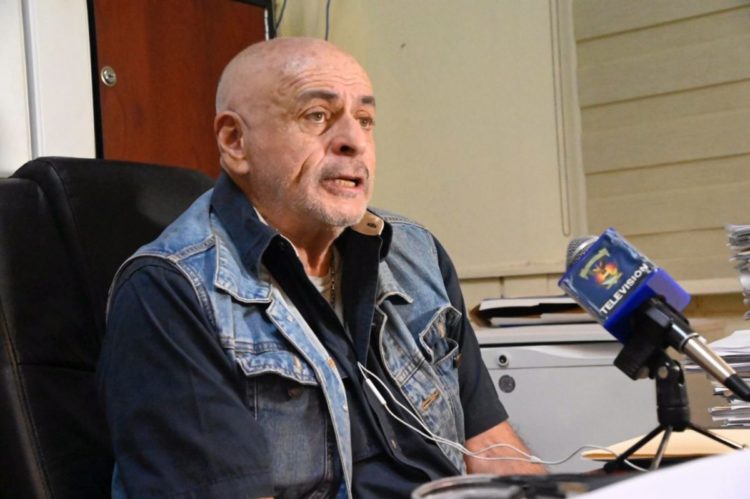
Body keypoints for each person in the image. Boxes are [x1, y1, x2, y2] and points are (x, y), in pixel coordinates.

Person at [97, 37, 545, 499]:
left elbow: (491, 447)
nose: (355, 141)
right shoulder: (169, 291)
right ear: (235, 142)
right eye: (317, 115)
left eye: (365, 120)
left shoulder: (416, 251)